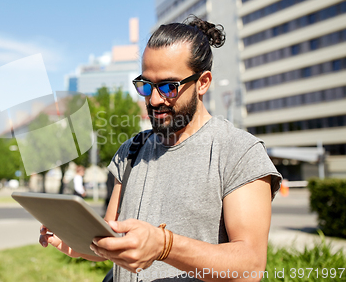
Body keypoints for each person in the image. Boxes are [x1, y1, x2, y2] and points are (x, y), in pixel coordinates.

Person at [40, 16, 282, 282]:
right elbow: (111, 241)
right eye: (146, 85)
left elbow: (250, 267)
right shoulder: (131, 151)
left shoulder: (239, 152)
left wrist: (165, 245)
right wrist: (73, 239)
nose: (154, 100)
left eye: (169, 86)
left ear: (203, 82)